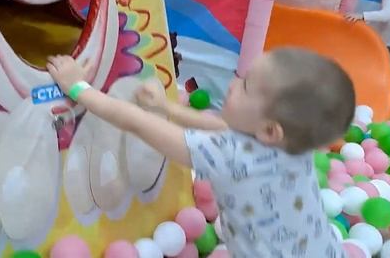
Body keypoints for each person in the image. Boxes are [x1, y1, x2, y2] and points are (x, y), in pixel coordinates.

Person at [46, 48, 353, 257]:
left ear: (270, 131)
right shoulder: (294, 145)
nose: (233, 84)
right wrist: (166, 107)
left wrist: (77, 88)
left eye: (245, 86)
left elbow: (135, 122)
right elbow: (218, 126)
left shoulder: (231, 156)